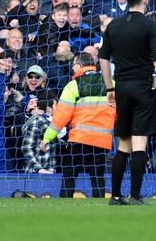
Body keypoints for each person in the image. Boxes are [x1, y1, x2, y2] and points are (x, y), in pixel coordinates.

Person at [99, 0, 156, 205]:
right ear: (145, 0)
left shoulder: (113, 25)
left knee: (123, 143)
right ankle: (134, 195)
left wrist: (110, 87)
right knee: (139, 143)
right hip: (143, 88)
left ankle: (114, 195)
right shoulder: (150, 25)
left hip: (121, 87)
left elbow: (103, 59)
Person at [40, 52, 115, 198]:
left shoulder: (73, 85)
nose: (72, 67)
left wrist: (47, 138)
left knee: (69, 177)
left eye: (73, 64)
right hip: (101, 141)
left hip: (79, 139)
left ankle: (64, 211)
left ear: (79, 66)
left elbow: (61, 116)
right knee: (98, 179)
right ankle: (100, 214)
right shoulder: (110, 83)